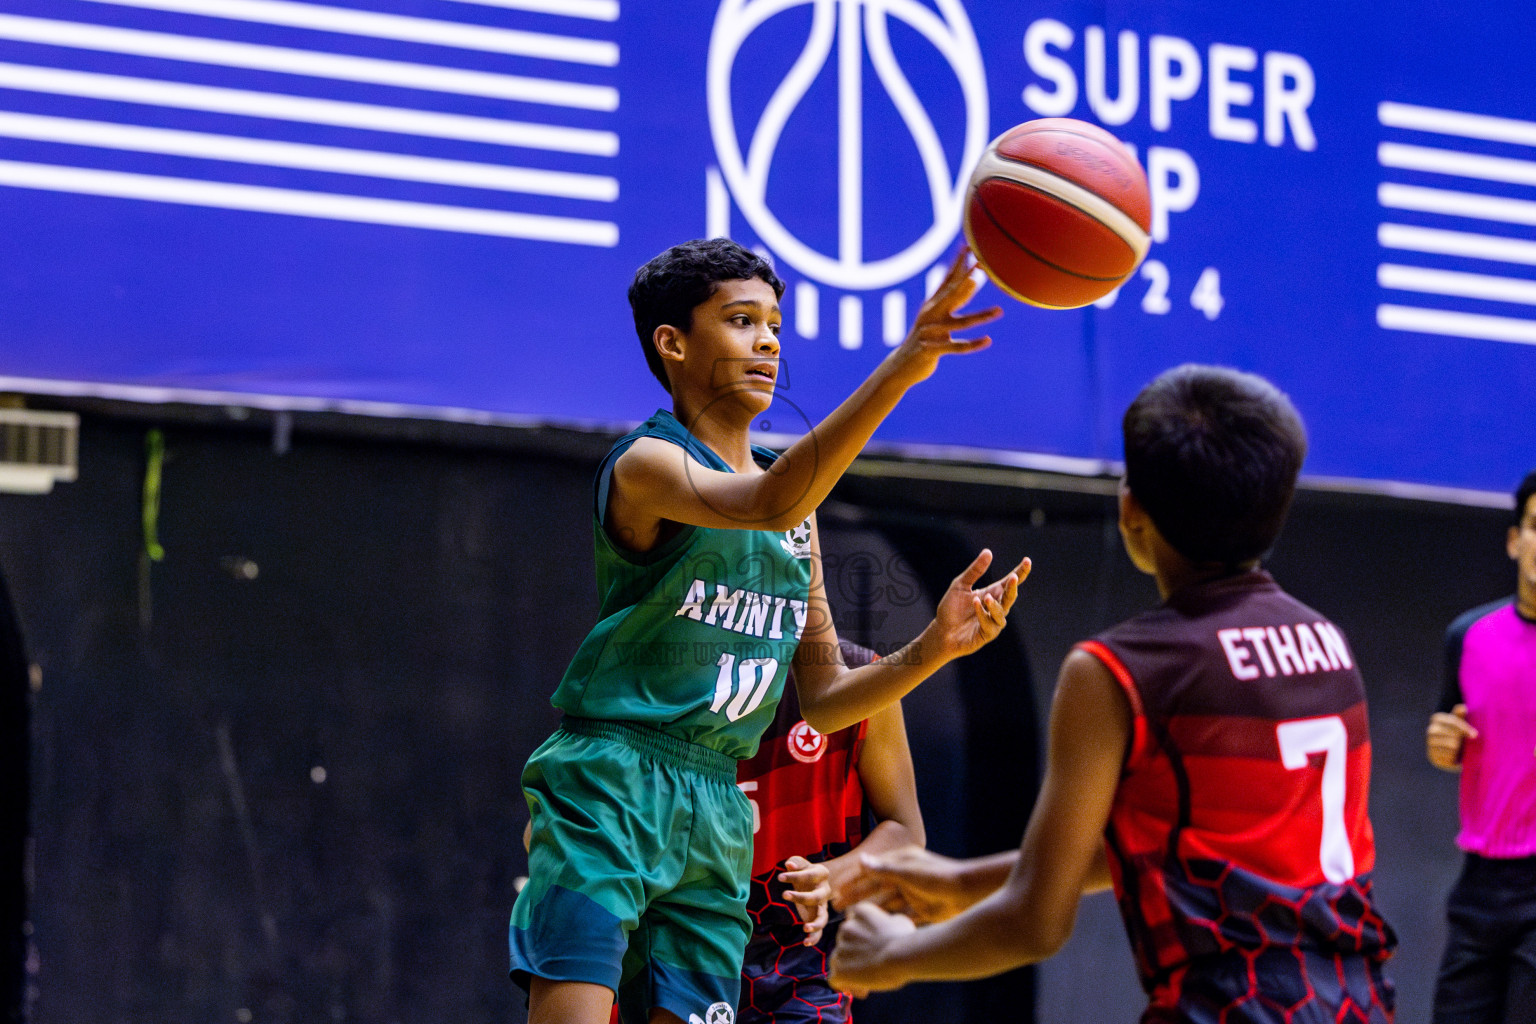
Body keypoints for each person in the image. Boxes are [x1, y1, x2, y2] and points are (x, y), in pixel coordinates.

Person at [507, 238, 1029, 1024]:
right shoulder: (647, 464)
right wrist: (904, 365)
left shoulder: (798, 508)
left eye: (775, 325)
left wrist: (936, 646)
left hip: (718, 802)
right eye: (742, 320)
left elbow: (824, 700)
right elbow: (766, 502)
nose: (768, 341)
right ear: (673, 343)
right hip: (615, 778)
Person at [828, 364, 1397, 1023]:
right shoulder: (1324, 640)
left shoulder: (1119, 669)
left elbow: (1035, 925)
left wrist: (892, 955)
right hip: (1357, 1002)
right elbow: (1178, 841)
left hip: (1228, 1008)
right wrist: (962, 884)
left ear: (1131, 508)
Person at [737, 639, 923, 1024]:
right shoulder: (674, 680)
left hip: (807, 957)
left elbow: (905, 830)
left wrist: (830, 880)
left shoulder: (866, 676)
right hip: (689, 944)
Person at [1424, 469, 1536, 1024]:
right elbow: (1451, 734)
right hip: (1480, 884)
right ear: (1516, 539)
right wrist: (1442, 745)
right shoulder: (1468, 635)